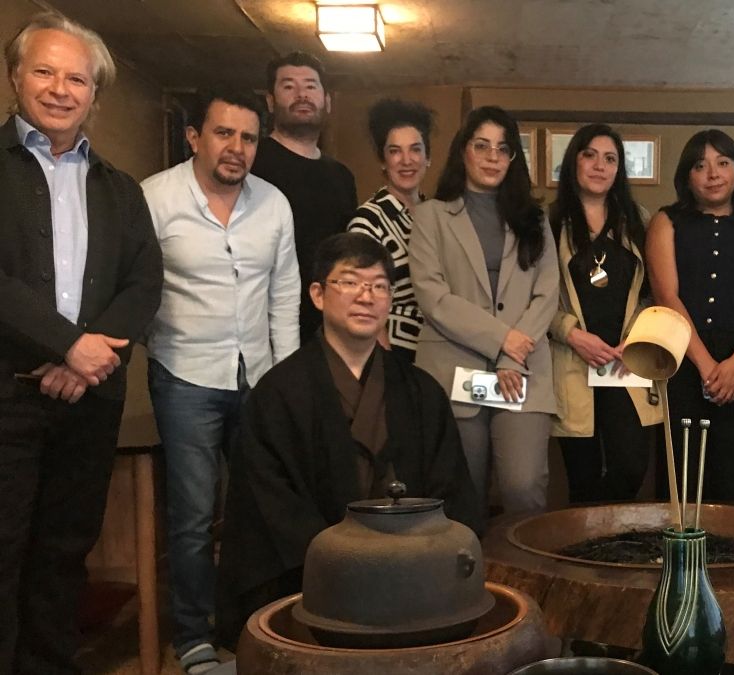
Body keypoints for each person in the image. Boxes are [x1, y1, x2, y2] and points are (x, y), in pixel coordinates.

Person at [215, 233, 480, 648]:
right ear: (318, 295)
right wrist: (342, 561)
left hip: (416, 574)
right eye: (350, 282)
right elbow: (271, 503)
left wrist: (419, 554)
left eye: (379, 285)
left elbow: (451, 487)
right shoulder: (279, 393)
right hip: (317, 585)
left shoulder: (421, 390)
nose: (366, 296)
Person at [0, 13, 163, 674]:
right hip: (7, 399)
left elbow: (143, 282)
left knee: (65, 554)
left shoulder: (121, 190)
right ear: (16, 77)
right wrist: (70, 345)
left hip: (89, 401)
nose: (60, 89)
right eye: (45, 71)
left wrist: (90, 359)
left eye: (77, 78)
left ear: (96, 93)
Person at [140, 88, 300, 673]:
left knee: (260, 510)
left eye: (248, 138)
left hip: (258, 376)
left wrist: (284, 382)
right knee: (191, 516)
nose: (237, 148)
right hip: (184, 377)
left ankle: (252, 625)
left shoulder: (274, 204)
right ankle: (193, 636)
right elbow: (135, 286)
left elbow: (284, 295)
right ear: (195, 137)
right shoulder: (154, 198)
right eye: (224, 133)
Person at [409, 106, 558, 516]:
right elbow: (433, 296)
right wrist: (501, 339)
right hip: (453, 367)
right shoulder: (430, 215)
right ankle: (468, 561)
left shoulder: (535, 219)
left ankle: (521, 562)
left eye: (503, 148)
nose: (493, 157)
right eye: (482, 146)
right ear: (463, 151)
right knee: (462, 493)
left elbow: (547, 293)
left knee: (523, 486)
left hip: (523, 368)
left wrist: (511, 354)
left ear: (513, 158)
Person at [645, 129, 734, 504]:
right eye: (700, 165)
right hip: (684, 362)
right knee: (682, 472)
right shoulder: (666, 222)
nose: (713, 174)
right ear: (686, 176)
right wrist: (706, 366)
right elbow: (667, 296)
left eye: (723, 163)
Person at [548, 124, 661, 503]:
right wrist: (571, 332)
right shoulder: (549, 223)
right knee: (582, 477)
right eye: (590, 155)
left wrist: (639, 338)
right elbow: (535, 298)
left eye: (610, 159)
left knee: (631, 466)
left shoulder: (638, 221)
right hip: (572, 359)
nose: (600, 166)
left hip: (624, 363)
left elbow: (654, 293)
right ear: (573, 162)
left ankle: (608, 530)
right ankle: (589, 538)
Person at [252, 51, 357, 342]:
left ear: (327, 101)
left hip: (325, 327)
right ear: (270, 101)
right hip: (260, 328)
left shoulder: (342, 176)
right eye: (289, 86)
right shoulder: (252, 163)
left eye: (310, 86)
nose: (301, 94)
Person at [347, 98, 434, 363]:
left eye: (415, 149)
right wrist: (385, 365)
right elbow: (359, 298)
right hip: (392, 352)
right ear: (383, 161)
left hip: (436, 350)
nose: (407, 160)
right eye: (395, 151)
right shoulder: (367, 220)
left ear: (428, 158)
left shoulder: (436, 213)